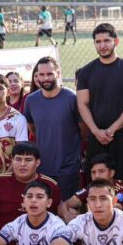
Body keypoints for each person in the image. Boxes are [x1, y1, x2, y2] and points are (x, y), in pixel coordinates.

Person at [77, 23, 123, 192]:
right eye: (98, 42)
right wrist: (96, 131)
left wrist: (111, 130)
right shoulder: (86, 71)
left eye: (106, 40)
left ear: (116, 41)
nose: (102, 45)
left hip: (122, 135)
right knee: (97, 182)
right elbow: (82, 104)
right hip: (96, 136)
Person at [23, 56, 83, 200]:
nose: (45, 78)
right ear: (37, 76)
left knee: (71, 207)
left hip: (68, 168)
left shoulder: (72, 98)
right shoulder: (31, 100)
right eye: (41, 74)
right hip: (43, 168)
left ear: (58, 73)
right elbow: (33, 129)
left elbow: (83, 130)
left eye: (49, 74)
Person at [0, 142, 62, 242]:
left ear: (37, 163)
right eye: (18, 159)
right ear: (12, 161)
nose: (22, 164)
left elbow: (55, 220)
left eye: (28, 160)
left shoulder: (51, 185)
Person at [60, 153, 123, 221]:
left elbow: (111, 211)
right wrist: (66, 214)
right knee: (70, 211)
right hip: (93, 223)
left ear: (112, 173)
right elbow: (64, 203)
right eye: (93, 172)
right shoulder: (90, 188)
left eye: (101, 171)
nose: (97, 176)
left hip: (116, 227)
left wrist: (84, 216)